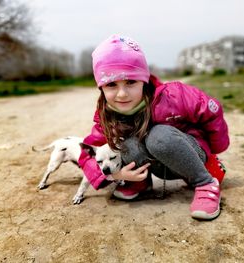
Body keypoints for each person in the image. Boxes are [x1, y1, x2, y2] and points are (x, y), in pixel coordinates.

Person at [78, 34, 229, 220]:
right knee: (128, 144)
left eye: (131, 82)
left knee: (158, 135)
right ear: (101, 88)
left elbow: (211, 110)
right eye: (111, 84)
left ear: (144, 79)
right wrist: (116, 175)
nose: (122, 94)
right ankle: (141, 183)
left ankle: (205, 182)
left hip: (191, 155)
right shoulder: (107, 116)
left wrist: (214, 150)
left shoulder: (173, 95)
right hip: (158, 167)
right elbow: (87, 153)